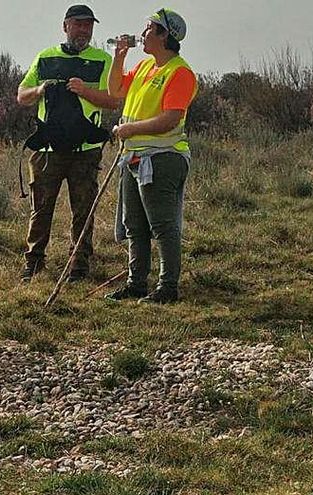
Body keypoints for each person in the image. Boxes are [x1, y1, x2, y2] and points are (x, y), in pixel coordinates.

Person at [18, 5, 119, 283]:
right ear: (65, 26)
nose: (84, 30)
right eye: (78, 24)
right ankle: (34, 261)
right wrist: (39, 90)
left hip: (84, 152)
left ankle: (79, 264)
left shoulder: (101, 60)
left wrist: (86, 92)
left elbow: (114, 100)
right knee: (41, 208)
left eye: (88, 26)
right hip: (47, 152)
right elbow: (22, 96)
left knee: (83, 209)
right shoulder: (45, 57)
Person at [105, 8, 198, 304]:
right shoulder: (146, 67)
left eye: (148, 29)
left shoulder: (180, 72)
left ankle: (168, 286)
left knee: (162, 224)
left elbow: (170, 119)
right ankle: (136, 284)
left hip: (163, 157)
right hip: (134, 157)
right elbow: (116, 89)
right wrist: (119, 56)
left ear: (164, 36)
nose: (142, 34)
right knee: (134, 223)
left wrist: (129, 129)